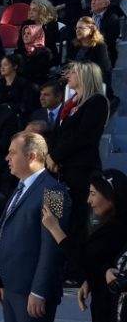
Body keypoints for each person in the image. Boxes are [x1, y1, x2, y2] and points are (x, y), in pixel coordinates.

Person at [0, 131, 70, 322]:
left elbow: (52, 247)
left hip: (32, 293)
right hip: (12, 289)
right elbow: (6, 233)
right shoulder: (20, 187)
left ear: (32, 156)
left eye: (12, 152)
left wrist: (39, 290)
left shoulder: (53, 191)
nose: (7, 158)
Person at [42, 169, 127, 322]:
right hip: (102, 307)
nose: (89, 200)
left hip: (117, 315)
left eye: (93, 194)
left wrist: (56, 230)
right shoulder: (103, 223)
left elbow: (88, 259)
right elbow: (102, 262)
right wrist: (92, 279)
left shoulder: (119, 227)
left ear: (110, 196)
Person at [50, 61, 109, 240]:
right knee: (53, 219)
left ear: (85, 76)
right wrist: (51, 157)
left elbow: (82, 137)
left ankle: (72, 254)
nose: (68, 75)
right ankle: (53, 251)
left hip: (81, 172)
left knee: (76, 222)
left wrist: (55, 156)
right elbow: (59, 135)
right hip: (59, 172)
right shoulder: (70, 104)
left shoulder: (97, 102)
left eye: (73, 72)